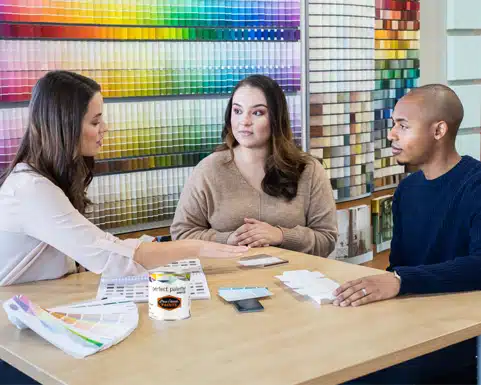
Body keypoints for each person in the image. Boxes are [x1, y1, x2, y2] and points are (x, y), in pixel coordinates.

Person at [0, 71, 247, 286]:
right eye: (95, 121)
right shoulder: (31, 190)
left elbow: (93, 250)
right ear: (64, 126)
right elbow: (111, 258)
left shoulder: (43, 181)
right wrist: (197, 247)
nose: (104, 128)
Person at [334, 84, 480, 384]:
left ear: (439, 130)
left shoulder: (475, 186)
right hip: (408, 326)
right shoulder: (407, 190)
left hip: (455, 336)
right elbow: (400, 265)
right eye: (393, 125)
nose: (391, 135)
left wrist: (400, 280)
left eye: (403, 126)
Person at [170, 75, 337, 257]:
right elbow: (182, 234)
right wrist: (227, 240)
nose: (245, 121)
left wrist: (281, 235)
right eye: (238, 111)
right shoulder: (208, 169)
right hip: (227, 278)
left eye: (257, 112)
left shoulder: (309, 169)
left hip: (294, 279)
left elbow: (326, 239)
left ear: (276, 118)